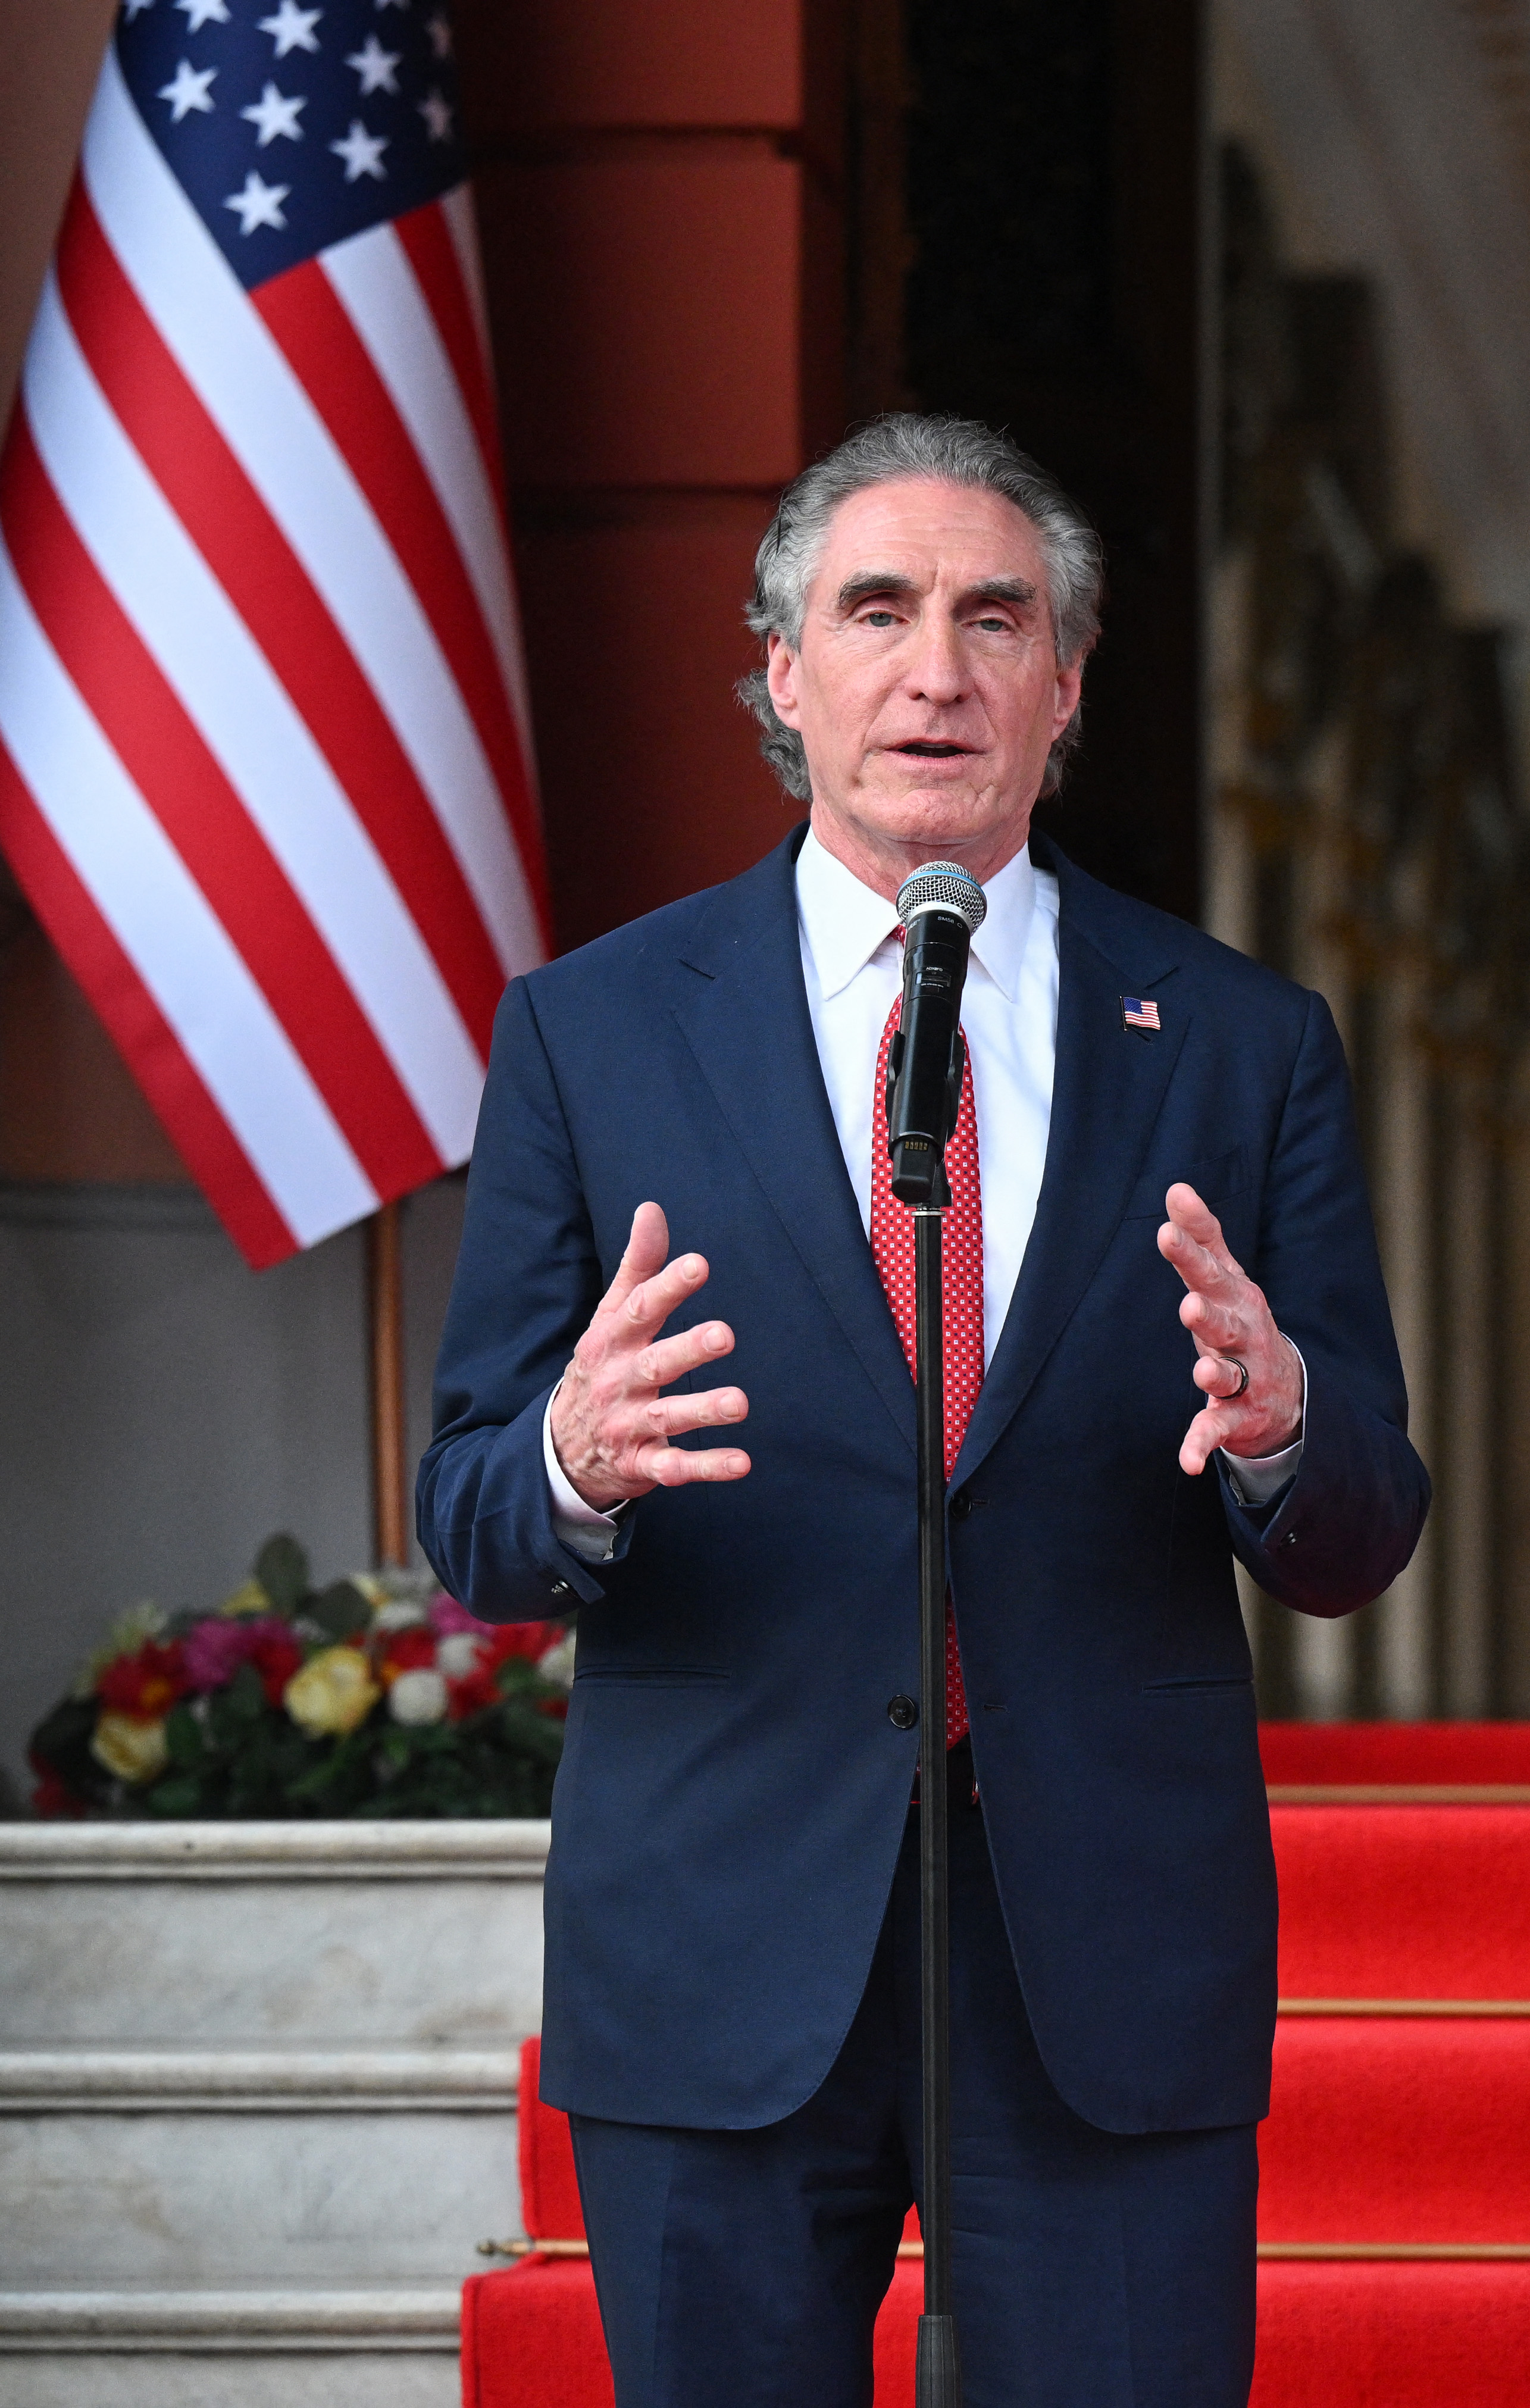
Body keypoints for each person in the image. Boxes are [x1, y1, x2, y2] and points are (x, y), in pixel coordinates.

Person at [418, 414, 1426, 2407]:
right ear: (786, 676)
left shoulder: (1238, 1040)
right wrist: (567, 1464)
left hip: (1099, 1949)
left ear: (1066, 684)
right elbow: (465, 1513)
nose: (936, 666)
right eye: (876, 611)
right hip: (716, 1927)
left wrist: (1294, 1425)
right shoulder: (592, 1029)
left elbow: (1358, 1531)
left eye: (996, 616)